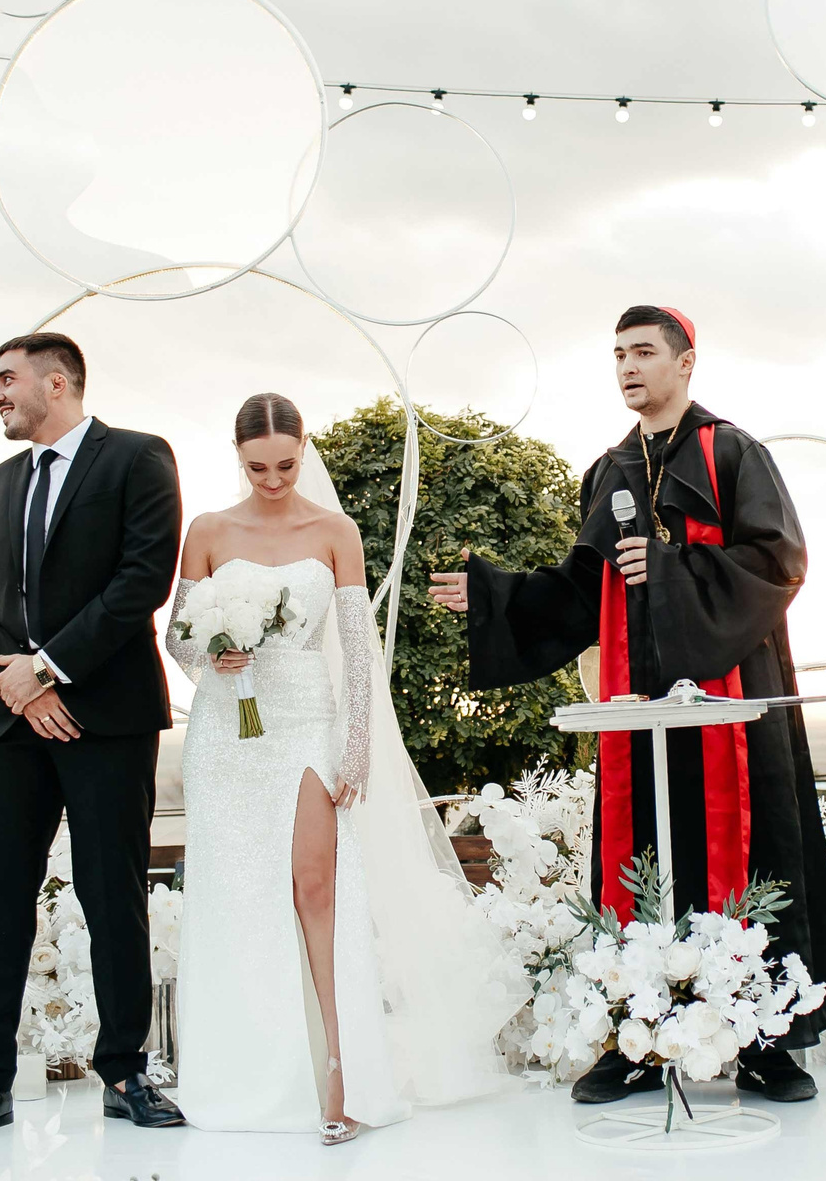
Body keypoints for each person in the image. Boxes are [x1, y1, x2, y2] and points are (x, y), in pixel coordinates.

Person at [429, 305, 826, 1104]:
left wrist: (670, 568)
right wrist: (495, 595)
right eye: (619, 354)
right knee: (643, 858)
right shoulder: (608, 469)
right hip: (638, 705)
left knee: (751, 855)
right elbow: (580, 592)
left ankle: (764, 1044)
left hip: (731, 702)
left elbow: (778, 561)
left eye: (645, 352)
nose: (628, 366)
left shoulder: (733, 452)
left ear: (685, 363)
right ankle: (635, 1038)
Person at [166, 394, 522, 1145]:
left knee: (317, 889)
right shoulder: (208, 531)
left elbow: (359, 652)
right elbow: (178, 638)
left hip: (306, 724)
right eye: (258, 467)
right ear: (238, 457)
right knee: (238, 898)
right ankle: (253, 1077)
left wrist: (355, 746)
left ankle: (342, 1078)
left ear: (304, 451)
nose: (272, 479)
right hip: (228, 734)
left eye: (285, 465)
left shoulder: (335, 532)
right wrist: (214, 650)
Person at [0, 332, 186, 1142]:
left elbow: (143, 579)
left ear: (56, 382)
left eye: (7, 379)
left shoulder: (138, 457)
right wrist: (16, 681)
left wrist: (46, 669)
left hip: (105, 718)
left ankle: (125, 1073)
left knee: (112, 898)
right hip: (10, 722)